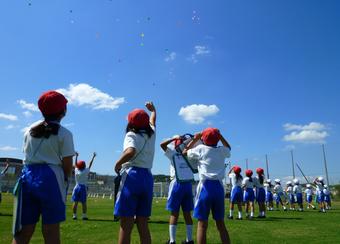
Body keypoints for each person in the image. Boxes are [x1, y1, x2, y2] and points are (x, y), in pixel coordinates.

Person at [12, 90, 75, 244]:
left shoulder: (29, 130)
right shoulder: (65, 133)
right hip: (52, 177)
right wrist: (65, 178)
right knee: (51, 230)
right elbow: (67, 166)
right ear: (63, 111)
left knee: (23, 230)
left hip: (28, 176)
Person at [114, 102, 156, 244]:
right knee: (143, 224)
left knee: (126, 225)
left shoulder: (131, 134)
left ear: (131, 123)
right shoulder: (152, 134)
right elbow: (152, 121)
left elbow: (130, 151)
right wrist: (153, 111)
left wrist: (118, 163)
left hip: (132, 177)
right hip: (147, 177)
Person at [183, 128, 231, 244]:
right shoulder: (222, 151)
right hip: (219, 188)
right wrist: (220, 136)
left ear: (203, 139)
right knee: (220, 223)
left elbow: (185, 151)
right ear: (217, 139)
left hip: (205, 186)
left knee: (202, 224)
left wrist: (195, 139)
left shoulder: (200, 149)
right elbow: (228, 148)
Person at [160, 134, 195, 244]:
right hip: (188, 184)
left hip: (176, 183)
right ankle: (189, 240)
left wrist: (174, 138)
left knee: (174, 213)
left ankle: (172, 241)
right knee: (187, 214)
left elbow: (162, 145)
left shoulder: (173, 153)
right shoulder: (190, 154)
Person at [72, 151, 97, 220]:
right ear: (84, 166)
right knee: (83, 202)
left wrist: (76, 156)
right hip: (83, 187)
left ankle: (74, 215)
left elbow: (75, 164)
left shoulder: (76, 170)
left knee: (75, 202)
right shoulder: (85, 171)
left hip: (76, 187)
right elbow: (90, 164)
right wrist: (93, 157)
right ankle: (84, 215)